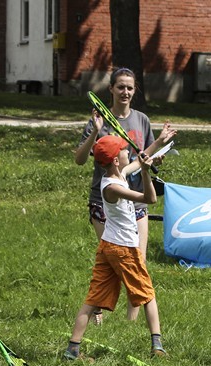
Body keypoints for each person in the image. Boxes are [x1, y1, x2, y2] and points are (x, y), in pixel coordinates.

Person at [74, 67, 176, 323]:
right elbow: (79, 159)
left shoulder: (141, 119)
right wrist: (96, 132)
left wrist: (159, 148)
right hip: (105, 202)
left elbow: (142, 157)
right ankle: (96, 310)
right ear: (111, 89)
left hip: (135, 198)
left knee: (138, 261)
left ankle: (130, 323)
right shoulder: (100, 120)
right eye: (120, 87)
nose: (125, 92)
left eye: (130, 88)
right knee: (112, 261)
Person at [64, 135, 166, 360]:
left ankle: (72, 349)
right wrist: (147, 173)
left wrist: (159, 142)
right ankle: (157, 346)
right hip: (124, 249)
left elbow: (139, 160)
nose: (126, 151)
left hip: (108, 246)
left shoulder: (118, 173)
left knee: (94, 298)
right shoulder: (112, 187)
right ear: (115, 160)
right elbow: (150, 199)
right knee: (147, 294)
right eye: (122, 149)